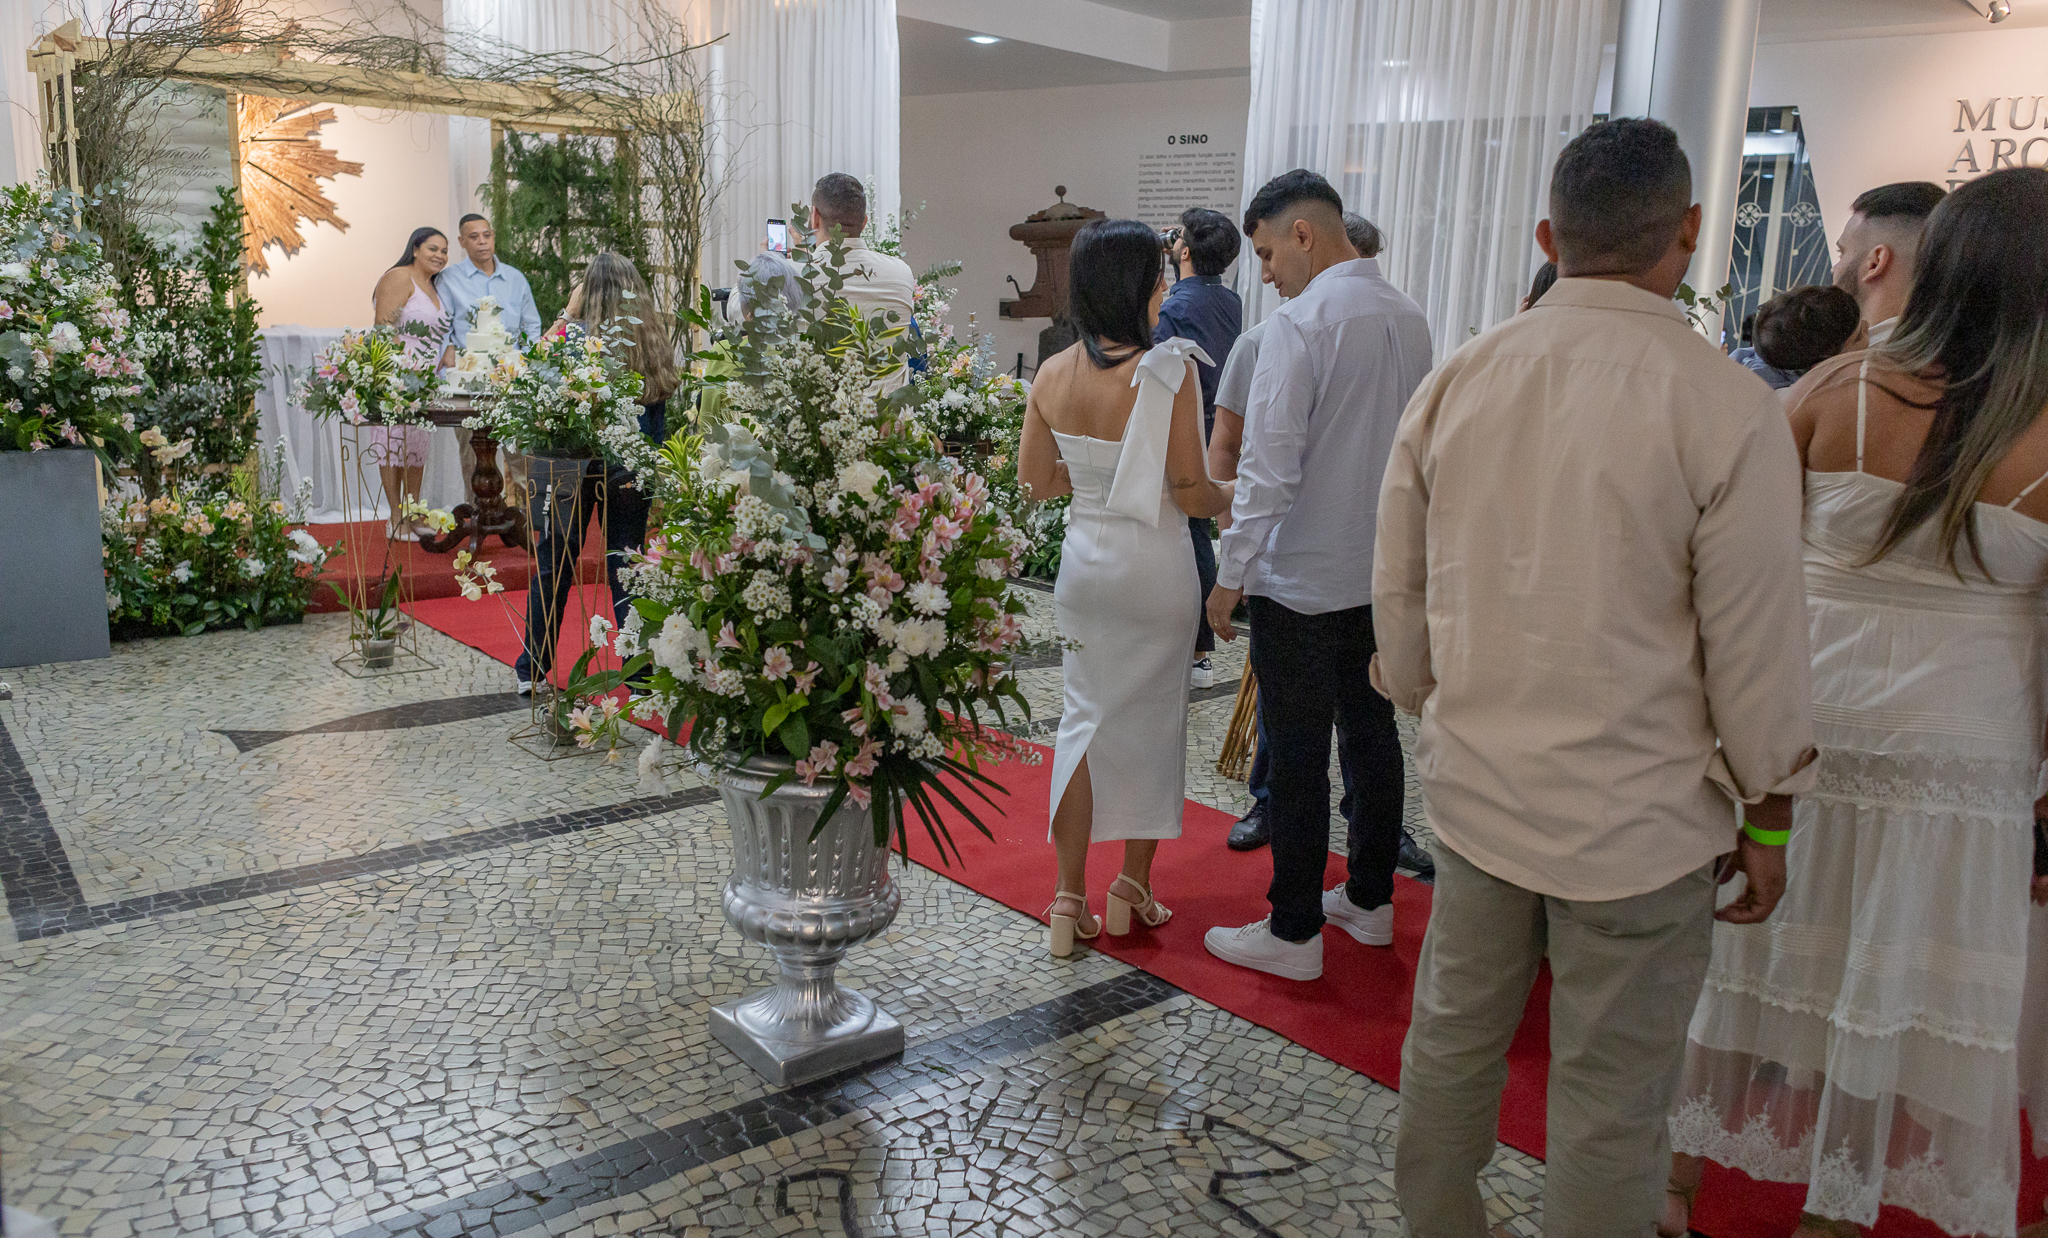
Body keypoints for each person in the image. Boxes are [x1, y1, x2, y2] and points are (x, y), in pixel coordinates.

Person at [1374, 118, 1817, 1237]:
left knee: (1450, 1042)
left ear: (1546, 235)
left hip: (1478, 797)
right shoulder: (1726, 406)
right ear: (1687, 233)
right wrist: (1766, 809)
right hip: (1641, 818)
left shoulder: (1457, 380)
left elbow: (1401, 590)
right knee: (1611, 1101)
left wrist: (1431, 698)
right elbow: (1752, 637)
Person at [1665, 167, 2048, 1238]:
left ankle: (1670, 1184)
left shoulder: (1835, 390)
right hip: (1965, 758)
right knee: (1903, 993)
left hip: (1808, 728)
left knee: (1746, 953)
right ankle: (1834, 1214)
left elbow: (1733, 570)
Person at [1201, 171, 1433, 982]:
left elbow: (1268, 472)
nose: (1262, 271)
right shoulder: (1411, 317)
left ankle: (1294, 929)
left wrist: (1229, 576)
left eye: (1266, 252)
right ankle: (1369, 901)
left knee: (1295, 752)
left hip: (1299, 581)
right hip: (1379, 577)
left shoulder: (1299, 326)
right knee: (1372, 737)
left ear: (1304, 235)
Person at [1016, 217, 1232, 958]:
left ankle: (1066, 899)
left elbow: (1036, 483)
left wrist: (1096, 478)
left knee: (1081, 723)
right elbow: (1190, 489)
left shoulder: (1050, 373)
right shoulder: (1169, 370)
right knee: (1153, 723)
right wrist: (1246, 491)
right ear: (1141, 287)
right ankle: (1131, 887)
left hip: (1084, 570)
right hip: (1154, 567)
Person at [513, 251, 677, 696]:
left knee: (555, 562)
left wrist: (566, 313)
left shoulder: (577, 337)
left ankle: (532, 666)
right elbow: (657, 420)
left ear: (588, 291)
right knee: (627, 564)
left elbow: (532, 371)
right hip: (630, 467)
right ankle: (638, 670)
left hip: (571, 466)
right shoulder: (651, 339)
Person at [1154, 206, 1242, 691]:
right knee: (1198, 530)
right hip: (1222, 426)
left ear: (1183, 251)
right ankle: (1199, 652)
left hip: (1184, 426)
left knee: (1187, 533)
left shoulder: (1174, 306)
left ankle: (1196, 650)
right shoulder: (1233, 302)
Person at [368, 227, 451, 540]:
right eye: (433, 248)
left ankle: (414, 513)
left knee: (416, 448)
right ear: (415, 249)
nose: (439, 255)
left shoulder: (433, 287)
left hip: (425, 381)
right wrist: (393, 376)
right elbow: (383, 330)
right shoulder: (399, 277)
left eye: (444, 251)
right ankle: (395, 517)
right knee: (392, 446)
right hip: (397, 377)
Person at [1832, 181, 1945, 347]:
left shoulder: (1850, 370)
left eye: (1842, 253)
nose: (1834, 268)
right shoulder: (1948, 359)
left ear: (1875, 263)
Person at [440, 213, 543, 356]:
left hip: (511, 368)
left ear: (493, 237)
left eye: (487, 235)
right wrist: (449, 349)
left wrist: (526, 358)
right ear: (461, 241)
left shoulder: (515, 279)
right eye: (474, 237)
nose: (482, 242)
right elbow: (442, 327)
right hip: (466, 367)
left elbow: (529, 325)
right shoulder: (449, 279)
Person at [1746, 284, 1865, 390]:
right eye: (1859, 336)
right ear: (1823, 362)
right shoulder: (1787, 395)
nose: (1868, 326)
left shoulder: (1769, 354)